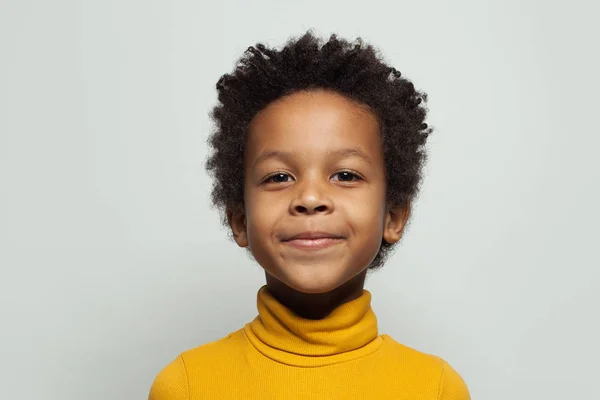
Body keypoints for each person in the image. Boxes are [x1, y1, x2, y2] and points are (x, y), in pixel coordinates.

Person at [149, 29, 470, 399]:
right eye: (279, 176)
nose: (311, 197)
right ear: (240, 220)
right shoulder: (186, 386)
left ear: (393, 217)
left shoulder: (435, 388)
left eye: (345, 175)